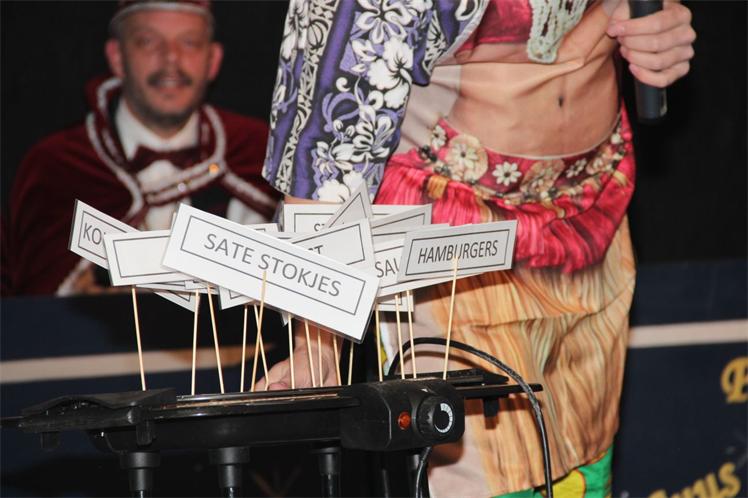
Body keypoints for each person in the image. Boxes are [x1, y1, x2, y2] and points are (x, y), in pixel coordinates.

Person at [259, 0, 695, 496]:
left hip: (591, 217)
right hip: (456, 244)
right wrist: (316, 342)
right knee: (490, 476)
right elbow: (330, 148)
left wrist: (659, 33)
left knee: (584, 465)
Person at [2, 0, 278, 296]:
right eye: (148, 42)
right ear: (117, 57)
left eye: (189, 42)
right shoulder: (57, 168)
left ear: (213, 60)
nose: (171, 58)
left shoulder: (261, 154)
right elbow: (31, 304)